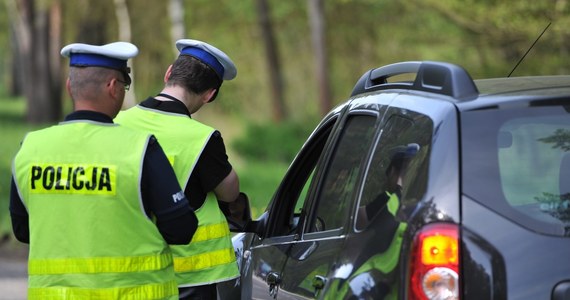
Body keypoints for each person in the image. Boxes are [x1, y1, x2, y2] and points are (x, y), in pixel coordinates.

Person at [9, 41, 198, 299]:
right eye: (124, 85)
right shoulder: (141, 149)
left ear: (69, 87)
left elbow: (23, 230)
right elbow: (182, 228)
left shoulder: (30, 148)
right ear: (113, 88)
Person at [115, 39, 249, 299]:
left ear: (168, 73)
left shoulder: (119, 121)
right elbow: (230, 193)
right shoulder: (202, 138)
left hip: (126, 268)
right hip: (187, 277)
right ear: (210, 94)